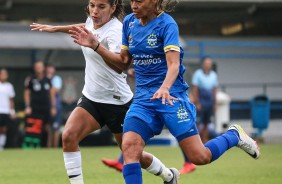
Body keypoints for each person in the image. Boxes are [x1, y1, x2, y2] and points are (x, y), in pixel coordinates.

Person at [69, 0, 260, 183]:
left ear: (154, 1)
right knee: (129, 149)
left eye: (140, 1)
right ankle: (169, 177)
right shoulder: (129, 22)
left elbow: (174, 64)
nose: (134, 6)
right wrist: (96, 46)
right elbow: (123, 62)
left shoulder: (167, 24)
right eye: (132, 1)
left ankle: (234, 135)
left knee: (199, 157)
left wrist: (165, 87)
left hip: (171, 97)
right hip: (143, 99)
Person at [31, 0, 179, 184]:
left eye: (101, 7)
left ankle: (169, 175)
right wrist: (55, 29)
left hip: (118, 103)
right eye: (92, 5)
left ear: (113, 8)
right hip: (92, 99)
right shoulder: (91, 21)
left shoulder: (116, 31)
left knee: (133, 155)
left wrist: (95, 46)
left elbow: (120, 66)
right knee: (68, 136)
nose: (94, 11)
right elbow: (84, 27)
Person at [23, 61, 56, 148]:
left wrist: (53, 107)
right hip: (34, 108)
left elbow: (52, 93)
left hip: (46, 107)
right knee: (35, 128)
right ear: (34, 68)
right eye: (37, 67)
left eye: (40, 66)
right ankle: (34, 147)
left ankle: (49, 147)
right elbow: (27, 93)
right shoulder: (30, 79)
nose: (38, 68)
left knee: (48, 127)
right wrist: (27, 106)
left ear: (43, 68)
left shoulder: (48, 79)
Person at [192, 56, 218, 143]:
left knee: (207, 123)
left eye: (209, 63)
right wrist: (197, 102)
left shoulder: (214, 75)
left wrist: (215, 103)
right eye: (206, 63)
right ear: (203, 64)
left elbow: (214, 90)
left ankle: (205, 141)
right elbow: (195, 88)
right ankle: (197, 142)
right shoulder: (197, 74)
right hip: (201, 100)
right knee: (198, 123)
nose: (208, 65)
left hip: (209, 101)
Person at [46, 64, 63, 147]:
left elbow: (54, 91)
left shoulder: (56, 79)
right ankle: (48, 148)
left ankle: (55, 147)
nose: (49, 70)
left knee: (56, 127)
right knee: (48, 128)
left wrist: (53, 107)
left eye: (51, 68)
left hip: (56, 106)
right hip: (46, 106)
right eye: (48, 68)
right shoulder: (44, 79)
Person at [0, 68, 16, 150]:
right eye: (2, 74)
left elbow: (11, 100)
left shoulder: (9, 86)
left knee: (4, 129)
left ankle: (1, 146)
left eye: (5, 74)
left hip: (5, 111)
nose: (4, 76)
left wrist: (12, 111)